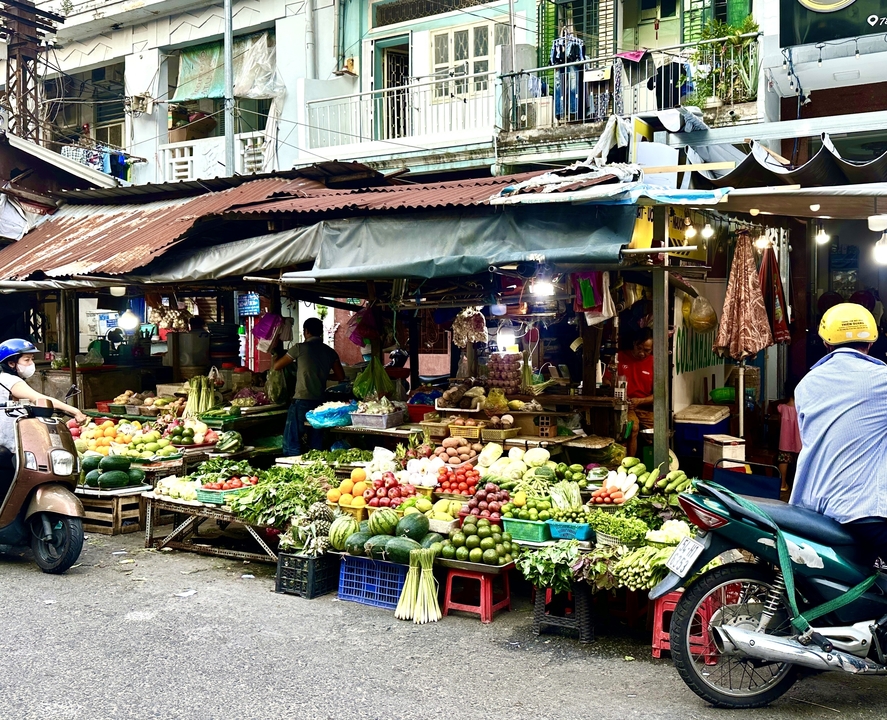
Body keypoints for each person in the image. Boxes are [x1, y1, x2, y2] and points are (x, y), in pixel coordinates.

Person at [790, 303, 887, 566]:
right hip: (862, 511)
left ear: (825, 343)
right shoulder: (881, 379)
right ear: (871, 342)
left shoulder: (806, 385)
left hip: (813, 508)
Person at [0, 339, 87, 493]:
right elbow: (40, 399)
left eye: (32, 359)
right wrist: (74, 411)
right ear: (12, 364)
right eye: (26, 359)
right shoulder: (10, 381)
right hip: (9, 445)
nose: (30, 364)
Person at [273, 318, 345, 457]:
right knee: (316, 438)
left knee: (292, 439)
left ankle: (291, 466)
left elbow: (277, 366)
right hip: (320, 402)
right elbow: (340, 376)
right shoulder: (330, 352)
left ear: (306, 331)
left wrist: (276, 354)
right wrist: (323, 375)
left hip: (302, 399)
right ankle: (315, 466)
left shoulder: (299, 348)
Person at [615, 327, 654, 458]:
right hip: (626, 406)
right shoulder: (620, 357)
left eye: (647, 350)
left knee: (660, 431)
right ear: (634, 344)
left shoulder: (654, 362)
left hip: (645, 406)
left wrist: (640, 401)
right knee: (632, 428)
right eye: (639, 348)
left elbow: (659, 395)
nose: (642, 353)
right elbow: (607, 381)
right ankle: (629, 464)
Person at [776, 378, 801, 499]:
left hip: (784, 442)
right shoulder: (801, 409)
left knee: (784, 461)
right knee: (799, 462)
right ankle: (799, 486)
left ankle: (782, 484)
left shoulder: (782, 408)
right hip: (799, 443)